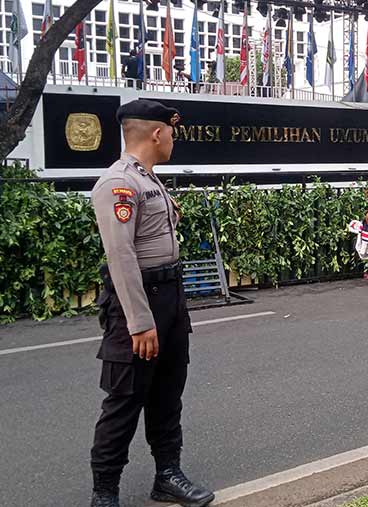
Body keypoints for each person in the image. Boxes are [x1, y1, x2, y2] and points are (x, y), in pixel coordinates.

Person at [89, 100, 213, 507]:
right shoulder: (119, 184)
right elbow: (121, 257)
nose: (173, 139)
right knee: (125, 400)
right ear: (157, 133)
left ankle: (167, 476)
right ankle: (105, 492)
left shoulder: (149, 179)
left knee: (166, 395)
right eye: (171, 132)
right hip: (138, 305)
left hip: (170, 299)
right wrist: (140, 322)